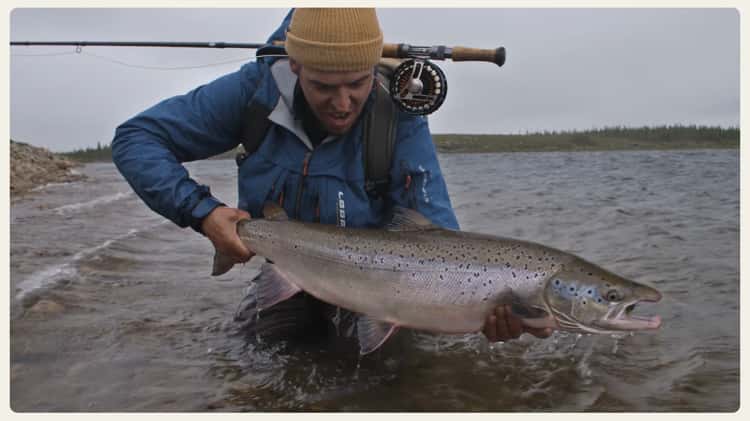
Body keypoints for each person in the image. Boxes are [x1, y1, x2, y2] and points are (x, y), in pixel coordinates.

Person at [112, 8, 551, 350]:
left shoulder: (398, 115)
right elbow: (137, 139)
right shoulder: (252, 92)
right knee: (256, 361)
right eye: (324, 87)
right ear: (296, 66)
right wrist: (203, 213)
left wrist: (476, 312)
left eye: (357, 84)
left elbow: (436, 237)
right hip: (290, 264)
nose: (343, 103)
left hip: (381, 282)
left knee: (405, 377)